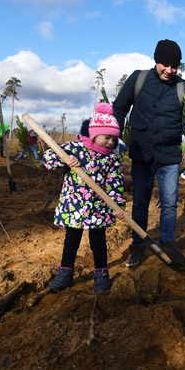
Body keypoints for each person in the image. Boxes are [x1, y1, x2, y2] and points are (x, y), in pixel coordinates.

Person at [113, 39, 185, 269]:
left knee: (170, 203)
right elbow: (119, 108)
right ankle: (137, 245)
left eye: (175, 66)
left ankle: (167, 246)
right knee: (140, 203)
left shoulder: (184, 88)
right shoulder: (138, 79)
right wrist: (115, 136)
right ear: (156, 60)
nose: (169, 70)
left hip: (169, 157)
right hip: (141, 154)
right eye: (165, 64)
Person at [42, 103, 126, 294]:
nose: (111, 142)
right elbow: (47, 159)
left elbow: (115, 183)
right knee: (71, 241)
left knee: (98, 242)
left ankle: (101, 276)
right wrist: (64, 159)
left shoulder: (111, 158)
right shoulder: (75, 148)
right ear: (95, 134)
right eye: (107, 137)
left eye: (114, 138)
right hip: (74, 206)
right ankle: (64, 275)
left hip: (99, 208)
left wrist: (118, 205)